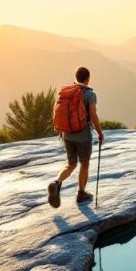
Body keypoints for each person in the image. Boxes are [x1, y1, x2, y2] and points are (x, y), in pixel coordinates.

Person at [49, 66, 104, 207]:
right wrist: (100, 132)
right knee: (84, 164)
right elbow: (93, 115)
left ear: (75, 77)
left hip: (67, 135)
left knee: (71, 164)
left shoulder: (67, 92)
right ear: (88, 79)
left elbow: (57, 112)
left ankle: (57, 183)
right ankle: (81, 193)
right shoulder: (90, 95)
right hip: (83, 136)